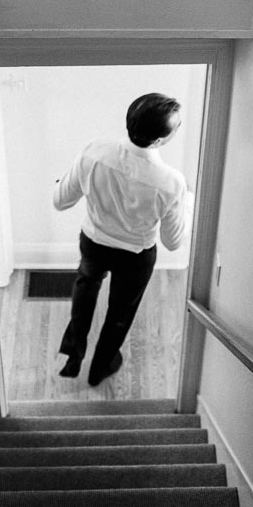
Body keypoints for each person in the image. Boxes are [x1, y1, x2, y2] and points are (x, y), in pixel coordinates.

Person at [52, 92, 191, 387]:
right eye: (176, 127)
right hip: (135, 256)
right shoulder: (170, 182)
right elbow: (173, 241)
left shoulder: (94, 151)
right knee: (120, 312)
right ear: (160, 140)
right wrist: (187, 203)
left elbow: (60, 200)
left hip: (94, 241)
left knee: (85, 287)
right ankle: (100, 367)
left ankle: (73, 354)